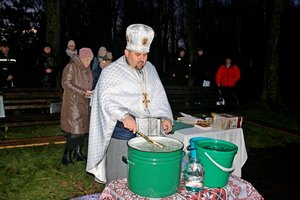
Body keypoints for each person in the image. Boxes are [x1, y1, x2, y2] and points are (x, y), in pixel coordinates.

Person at [86, 24, 173, 184]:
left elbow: (159, 95)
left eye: (145, 54)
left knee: (143, 178)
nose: (143, 59)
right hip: (122, 133)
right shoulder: (111, 71)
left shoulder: (151, 69)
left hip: (149, 130)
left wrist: (165, 116)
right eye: (138, 54)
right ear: (127, 52)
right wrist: (124, 115)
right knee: (120, 179)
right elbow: (105, 99)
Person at [60, 48, 94, 165]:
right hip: (73, 104)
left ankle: (78, 153)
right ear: (81, 58)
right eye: (86, 59)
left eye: (90, 60)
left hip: (85, 103)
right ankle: (67, 155)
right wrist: (83, 92)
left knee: (83, 131)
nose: (88, 62)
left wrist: (91, 92)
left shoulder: (88, 69)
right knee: (74, 132)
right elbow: (66, 83)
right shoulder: (72, 66)